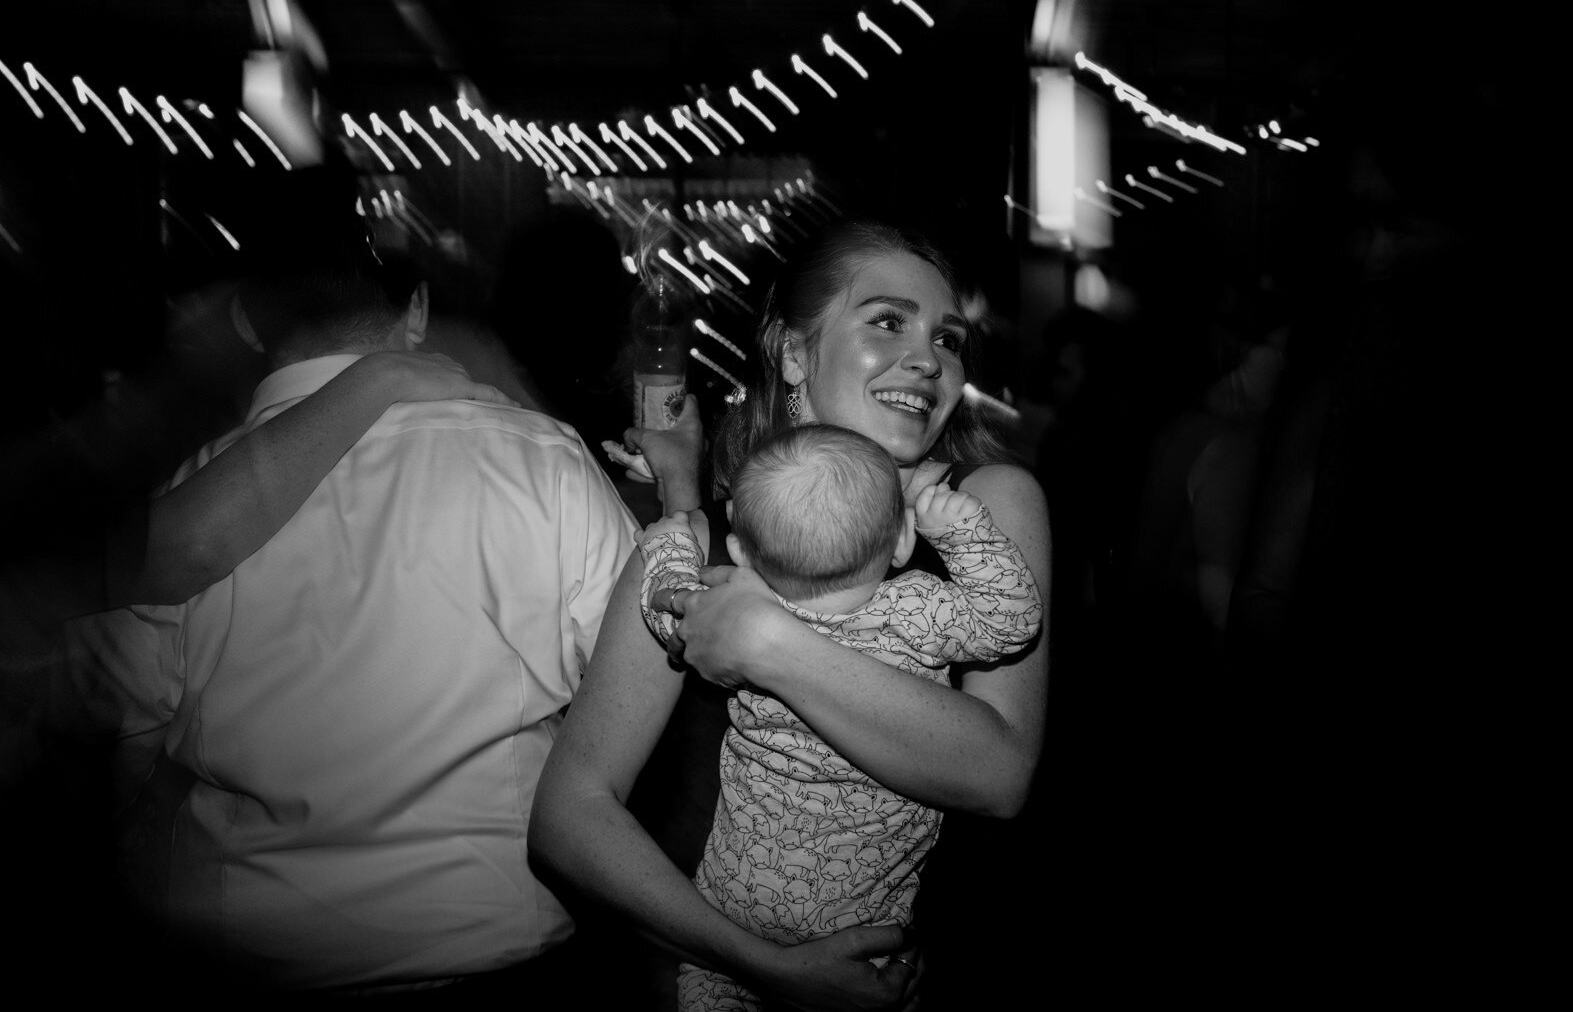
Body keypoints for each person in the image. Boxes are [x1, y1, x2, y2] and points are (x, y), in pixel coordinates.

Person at [63, 215, 640, 998]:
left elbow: (121, 740)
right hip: (493, 937)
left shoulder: (190, 496)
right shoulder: (542, 458)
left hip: (258, 948)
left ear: (246, 323)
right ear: (417, 311)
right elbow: (632, 682)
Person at [529, 218, 1052, 1011]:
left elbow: (999, 773)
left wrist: (770, 643)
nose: (929, 358)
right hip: (706, 976)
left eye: (948, 339)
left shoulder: (979, 510)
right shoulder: (696, 542)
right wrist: (761, 965)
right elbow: (568, 818)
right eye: (886, 321)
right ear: (793, 351)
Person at [636, 422, 1042, 1011]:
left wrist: (672, 536)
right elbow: (1012, 622)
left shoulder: (733, 615)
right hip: (860, 936)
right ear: (902, 541)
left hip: (729, 918)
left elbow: (668, 602)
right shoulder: (920, 609)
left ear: (744, 553)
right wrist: (961, 531)